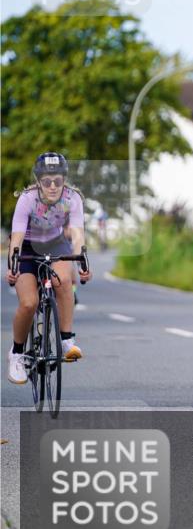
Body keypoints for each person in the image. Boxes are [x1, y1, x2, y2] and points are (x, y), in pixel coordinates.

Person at [6, 152, 92, 384]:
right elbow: (17, 235)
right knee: (29, 303)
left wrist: (83, 262)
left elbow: (77, 233)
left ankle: (66, 341)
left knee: (63, 280)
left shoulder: (72, 198)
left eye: (58, 180)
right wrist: (13, 263)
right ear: (38, 181)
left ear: (64, 179)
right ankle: (16, 354)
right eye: (47, 181)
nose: (53, 186)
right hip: (28, 247)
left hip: (56, 244)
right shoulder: (27, 198)